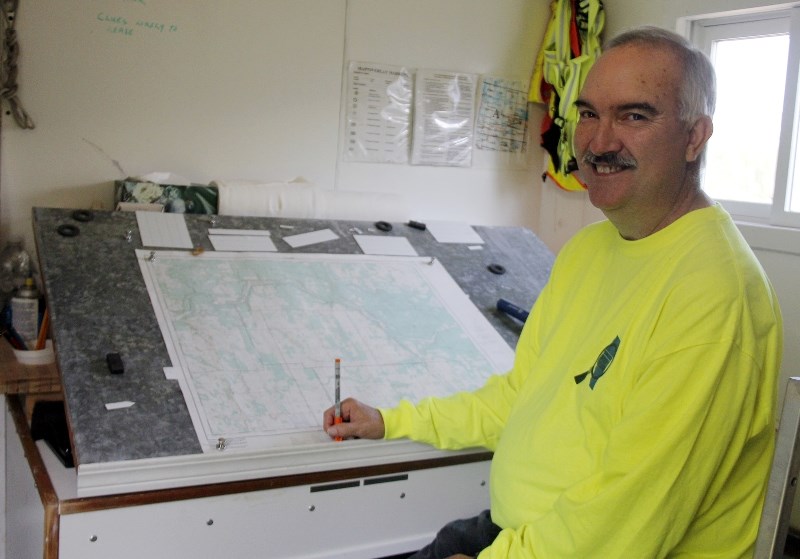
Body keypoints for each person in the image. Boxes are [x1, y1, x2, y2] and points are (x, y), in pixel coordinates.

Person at [324, 26, 783, 559]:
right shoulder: (590, 250)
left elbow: (623, 527)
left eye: (634, 116)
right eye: (589, 113)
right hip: (525, 531)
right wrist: (393, 420)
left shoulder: (713, 296)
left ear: (695, 136)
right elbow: (522, 396)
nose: (600, 141)